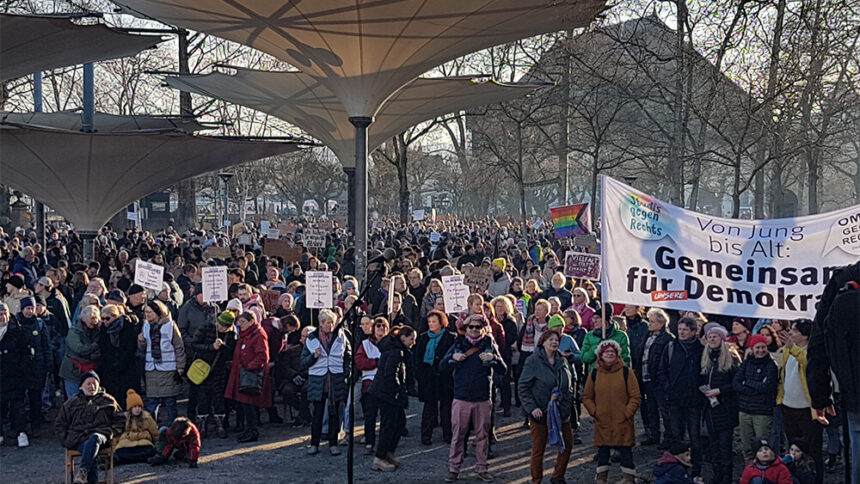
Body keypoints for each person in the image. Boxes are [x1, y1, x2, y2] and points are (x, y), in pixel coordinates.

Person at [441, 313, 506, 483]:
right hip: (461, 396)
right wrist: (451, 358)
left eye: (478, 327)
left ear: (483, 328)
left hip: (483, 397)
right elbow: (441, 366)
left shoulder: (490, 344)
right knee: (457, 436)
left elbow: (503, 369)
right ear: (466, 328)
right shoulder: (458, 343)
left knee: (482, 435)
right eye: (471, 327)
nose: (475, 330)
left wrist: (493, 359)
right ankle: (453, 469)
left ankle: (482, 468)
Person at [518, 330, 576, 484]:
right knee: (539, 449)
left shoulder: (562, 361)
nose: (554, 342)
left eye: (556, 339)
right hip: (540, 412)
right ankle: (536, 479)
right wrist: (532, 408)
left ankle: (558, 476)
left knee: (567, 445)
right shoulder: (533, 361)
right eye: (550, 339)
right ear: (542, 342)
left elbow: (570, 385)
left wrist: (566, 403)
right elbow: (523, 386)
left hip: (561, 411)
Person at [582, 339, 641, 484]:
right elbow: (587, 396)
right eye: (606, 351)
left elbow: (635, 396)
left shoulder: (626, 372)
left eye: (612, 352)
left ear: (617, 354)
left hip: (623, 422)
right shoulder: (594, 374)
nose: (609, 354)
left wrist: (627, 413)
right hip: (602, 421)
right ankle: (601, 479)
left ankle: (629, 480)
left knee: (626, 453)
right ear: (600, 355)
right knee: (603, 454)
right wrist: (594, 411)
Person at [54, 371, 125, 484]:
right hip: (78, 439)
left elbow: (121, 420)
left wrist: (111, 432)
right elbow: (60, 424)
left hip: (102, 436)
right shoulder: (71, 403)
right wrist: (66, 440)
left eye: (94, 383)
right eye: (88, 383)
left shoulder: (108, 401)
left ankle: (82, 473)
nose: (92, 386)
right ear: (81, 386)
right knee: (90, 449)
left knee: (94, 438)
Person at [776, 319, 824, 484]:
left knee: (812, 449)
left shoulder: (813, 351)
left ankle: (816, 479)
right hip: (788, 407)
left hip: (807, 410)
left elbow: (806, 361)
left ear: (804, 336)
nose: (790, 333)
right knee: (793, 449)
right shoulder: (787, 350)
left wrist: (791, 347)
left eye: (794, 331)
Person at [301, 308, 351, 456]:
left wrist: (345, 372)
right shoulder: (311, 338)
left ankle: (333, 444)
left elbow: (348, 355)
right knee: (317, 413)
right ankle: (314, 444)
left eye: (333, 322)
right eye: (328, 323)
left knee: (334, 413)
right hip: (319, 381)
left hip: (335, 379)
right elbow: (303, 362)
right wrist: (313, 356)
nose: (331, 325)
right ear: (321, 323)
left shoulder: (341, 336)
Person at [368, 325, 416, 472]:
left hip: (389, 393)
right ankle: (379, 457)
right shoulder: (396, 352)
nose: (413, 342)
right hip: (388, 394)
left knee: (399, 423)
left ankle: (388, 452)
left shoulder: (396, 350)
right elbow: (390, 374)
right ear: (403, 338)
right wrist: (398, 390)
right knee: (388, 426)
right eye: (411, 338)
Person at [700, 323, 741, 484]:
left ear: (722, 339)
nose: (711, 339)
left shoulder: (731, 358)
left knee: (725, 445)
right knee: (713, 445)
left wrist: (720, 391)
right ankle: (716, 476)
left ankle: (726, 478)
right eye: (709, 337)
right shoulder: (706, 358)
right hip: (710, 409)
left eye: (715, 336)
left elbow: (736, 383)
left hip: (726, 408)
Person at [224, 311, 270, 443]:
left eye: (243, 322)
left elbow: (262, 356)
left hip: (250, 376)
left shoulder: (259, 335)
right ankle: (248, 429)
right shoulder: (246, 335)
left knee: (249, 404)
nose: (240, 324)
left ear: (251, 322)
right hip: (242, 373)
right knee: (245, 404)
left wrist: (249, 367)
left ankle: (252, 430)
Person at [191, 310, 237, 438]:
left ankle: (220, 425)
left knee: (218, 398)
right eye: (220, 325)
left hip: (219, 369)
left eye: (224, 327)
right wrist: (211, 347)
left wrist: (223, 347)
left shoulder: (231, 334)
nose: (221, 328)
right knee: (202, 398)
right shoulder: (205, 327)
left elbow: (230, 353)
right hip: (202, 368)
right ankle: (202, 425)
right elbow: (194, 345)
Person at [138, 300, 186, 426]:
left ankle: (172, 428)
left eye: (150, 312)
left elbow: (179, 346)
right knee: (152, 401)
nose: (147, 315)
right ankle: (151, 428)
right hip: (151, 368)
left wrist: (180, 366)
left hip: (168, 368)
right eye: (146, 312)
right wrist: (141, 341)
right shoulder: (146, 326)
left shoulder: (170, 326)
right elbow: (143, 349)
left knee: (170, 401)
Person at [733, 333, 779, 460]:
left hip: (762, 411)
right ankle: (749, 470)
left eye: (763, 347)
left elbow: (767, 387)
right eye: (757, 347)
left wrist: (747, 383)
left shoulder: (771, 365)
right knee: (746, 445)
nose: (760, 350)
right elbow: (736, 383)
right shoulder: (746, 362)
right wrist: (756, 386)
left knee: (763, 445)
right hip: (744, 410)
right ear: (752, 348)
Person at [414, 310, 455, 446]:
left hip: (444, 376)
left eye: (434, 322)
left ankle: (447, 434)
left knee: (446, 407)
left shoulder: (450, 337)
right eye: (429, 322)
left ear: (441, 323)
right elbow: (417, 357)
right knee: (429, 408)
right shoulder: (423, 338)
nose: (431, 324)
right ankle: (426, 436)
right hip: (428, 376)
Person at [636, 308, 675, 448]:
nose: (649, 324)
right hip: (646, 377)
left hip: (659, 380)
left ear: (661, 323)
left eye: (652, 321)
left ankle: (669, 437)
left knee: (664, 409)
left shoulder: (668, 339)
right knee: (650, 407)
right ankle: (654, 434)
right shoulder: (647, 335)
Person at [15, 296, 52, 438]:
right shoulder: (16, 323)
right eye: (27, 308)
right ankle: (20, 427)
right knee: (19, 398)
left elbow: (46, 345)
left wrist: (48, 364)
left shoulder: (39, 324)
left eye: (32, 308)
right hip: (20, 367)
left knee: (36, 397)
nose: (30, 311)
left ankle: (36, 425)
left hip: (37, 365)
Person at [355, 317, 389, 453]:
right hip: (369, 383)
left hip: (386, 382)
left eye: (384, 325)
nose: (381, 328)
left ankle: (384, 443)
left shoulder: (391, 343)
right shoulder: (365, 344)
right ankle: (370, 441)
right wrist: (376, 362)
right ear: (373, 328)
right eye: (378, 325)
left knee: (386, 416)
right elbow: (360, 362)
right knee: (370, 415)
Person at [0, 301, 29, 447]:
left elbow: (26, 352)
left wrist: (21, 368)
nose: (2, 317)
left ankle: (21, 433)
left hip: (15, 374)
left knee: (18, 406)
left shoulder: (17, 330)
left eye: (4, 313)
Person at [98, 305, 140, 405]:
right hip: (110, 370)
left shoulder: (128, 327)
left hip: (126, 369)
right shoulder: (103, 330)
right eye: (102, 318)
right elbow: (103, 348)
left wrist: (120, 362)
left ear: (115, 316)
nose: (105, 321)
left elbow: (130, 348)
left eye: (107, 318)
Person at [59, 305, 101, 398]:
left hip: (91, 371)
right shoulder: (74, 331)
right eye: (91, 318)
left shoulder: (98, 331)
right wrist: (96, 346)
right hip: (73, 372)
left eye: (96, 318)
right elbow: (79, 349)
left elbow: (100, 352)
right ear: (83, 318)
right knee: (74, 399)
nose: (94, 321)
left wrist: (92, 353)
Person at [113, 389, 158, 464]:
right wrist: (114, 447)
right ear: (130, 408)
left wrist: (156, 445)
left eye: (139, 406)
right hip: (127, 443)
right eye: (134, 407)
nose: (137, 409)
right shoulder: (124, 418)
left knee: (150, 451)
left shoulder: (147, 417)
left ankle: (124, 459)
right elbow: (117, 434)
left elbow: (155, 433)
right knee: (120, 451)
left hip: (143, 443)